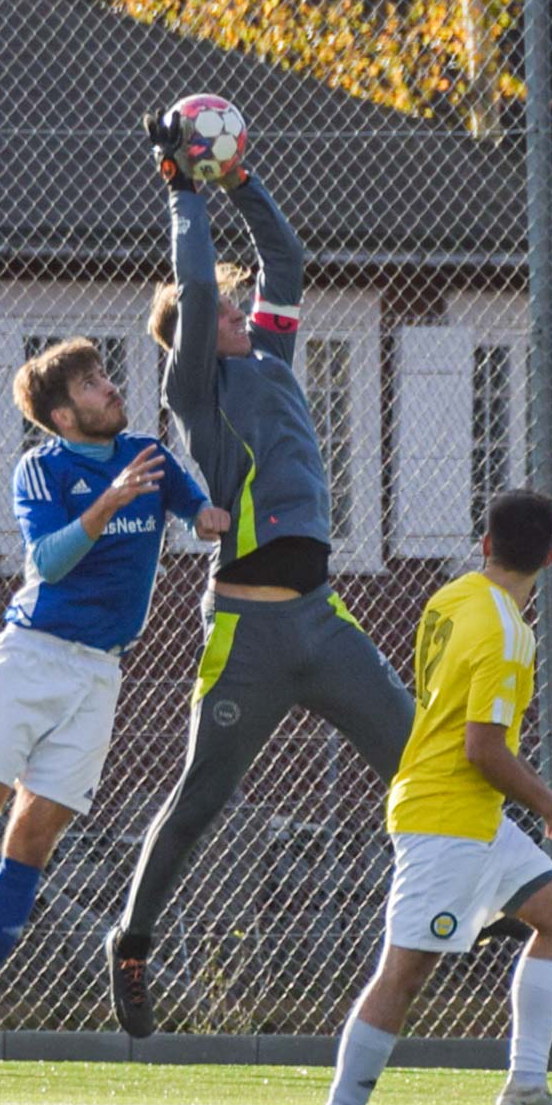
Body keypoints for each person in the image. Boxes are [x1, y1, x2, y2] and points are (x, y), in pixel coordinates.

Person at [107, 109, 417, 1036]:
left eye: (245, 312)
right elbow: (197, 287)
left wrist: (237, 178)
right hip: (245, 632)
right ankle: (131, 938)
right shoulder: (194, 383)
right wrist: (181, 190)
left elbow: (284, 262)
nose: (243, 311)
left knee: (416, 760)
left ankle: (500, 901)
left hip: (321, 622)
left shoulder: (271, 358)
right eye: (229, 312)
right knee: (201, 794)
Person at [0, 337, 226, 1072]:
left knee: (31, 842)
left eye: (104, 376)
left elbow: (203, 515)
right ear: (62, 413)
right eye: (92, 385)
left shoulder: (150, 452)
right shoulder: (43, 469)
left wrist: (230, 511)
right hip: (30, 657)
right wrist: (110, 500)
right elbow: (49, 562)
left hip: (99, 676)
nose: (109, 388)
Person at [313, 492, 552, 1105]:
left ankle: (526, 1084)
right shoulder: (508, 634)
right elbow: (482, 748)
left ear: (485, 545)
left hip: (467, 813)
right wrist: (551, 803)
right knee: (403, 974)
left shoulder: (452, 597)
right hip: (448, 818)